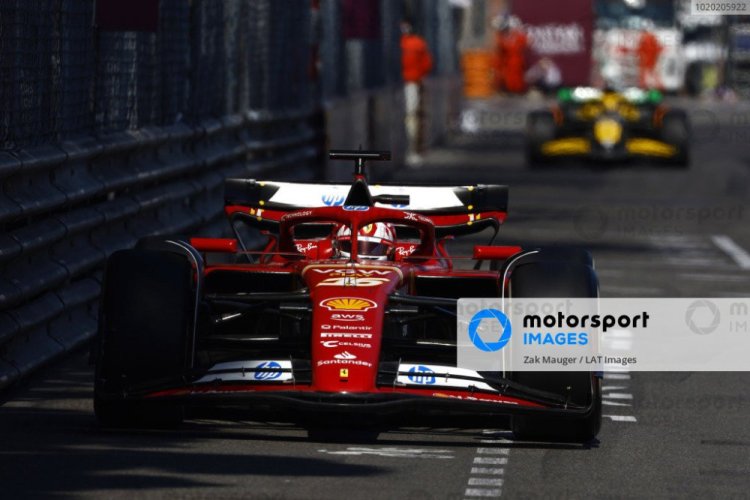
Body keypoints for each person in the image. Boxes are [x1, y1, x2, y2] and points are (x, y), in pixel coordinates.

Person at [401, 21, 433, 163]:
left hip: (409, 83)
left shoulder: (414, 43)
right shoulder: (416, 43)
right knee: (411, 117)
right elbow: (427, 64)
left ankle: (411, 149)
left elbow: (426, 63)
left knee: (411, 116)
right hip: (409, 83)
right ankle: (410, 150)